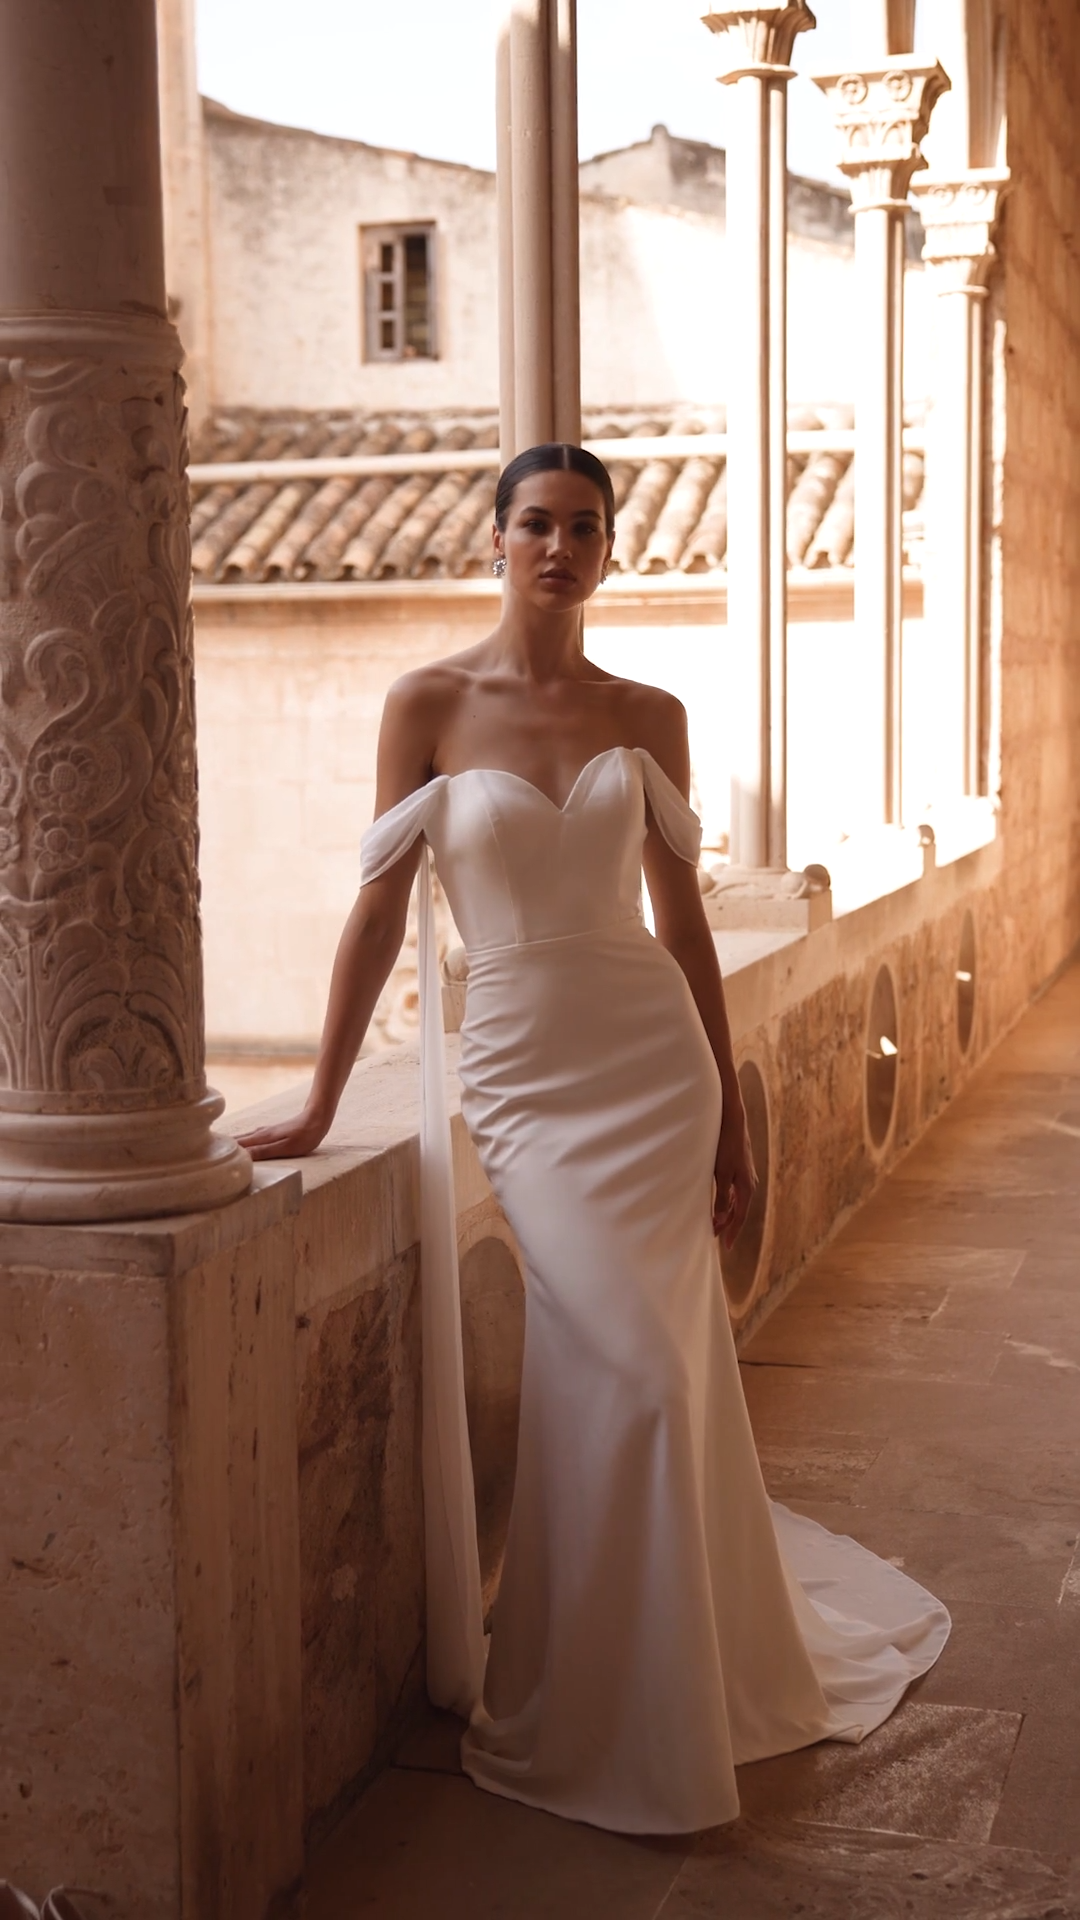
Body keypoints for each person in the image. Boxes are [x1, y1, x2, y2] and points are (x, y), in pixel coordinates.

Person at [238, 442, 949, 1835]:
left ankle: (661, 1685)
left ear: (609, 552)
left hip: (650, 1070)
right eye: (535, 524)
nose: (558, 547)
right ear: (495, 539)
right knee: (627, 1371)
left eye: (583, 528)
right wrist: (321, 1103)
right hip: (522, 1075)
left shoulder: (652, 712)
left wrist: (733, 1117)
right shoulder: (427, 703)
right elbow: (381, 915)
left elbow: (684, 927)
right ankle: (609, 1691)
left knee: (661, 1379)